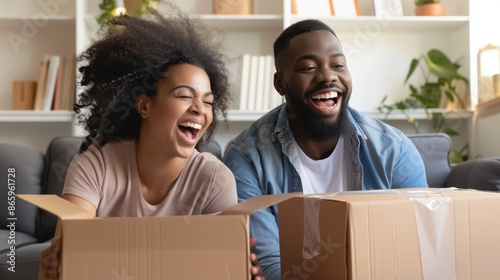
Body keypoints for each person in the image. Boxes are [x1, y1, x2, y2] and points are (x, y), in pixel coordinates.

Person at [38, 4, 265, 280]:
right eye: (184, 95)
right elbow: (72, 248)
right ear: (144, 106)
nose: (199, 109)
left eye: (207, 102)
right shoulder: (97, 162)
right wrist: (54, 268)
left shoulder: (215, 179)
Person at [223, 19, 428, 280]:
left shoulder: (394, 151)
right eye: (308, 67)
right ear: (280, 84)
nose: (328, 76)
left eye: (338, 65)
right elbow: (272, 265)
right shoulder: (247, 157)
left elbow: (417, 249)